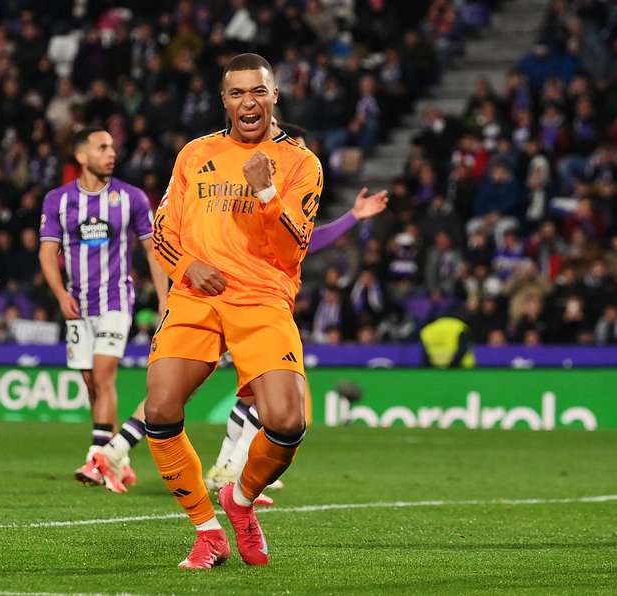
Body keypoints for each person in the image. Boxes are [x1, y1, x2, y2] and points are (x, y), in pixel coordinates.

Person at [91, 124, 388, 497]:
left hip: (233, 297)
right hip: (247, 300)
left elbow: (304, 238)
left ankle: (125, 450)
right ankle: (227, 470)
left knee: (205, 392)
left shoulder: (277, 196)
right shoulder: (253, 197)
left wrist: (352, 217)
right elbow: (298, 241)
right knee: (247, 394)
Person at [141, 52, 322, 569]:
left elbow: (294, 250)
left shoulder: (300, 163)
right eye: (238, 93)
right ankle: (206, 532)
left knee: (288, 422)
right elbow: (162, 232)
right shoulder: (194, 154)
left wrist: (265, 189)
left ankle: (239, 502)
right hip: (197, 296)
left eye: (258, 92)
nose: (249, 102)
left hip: (263, 297)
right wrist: (187, 267)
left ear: (274, 97)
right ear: (224, 100)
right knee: (160, 409)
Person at [38, 127, 167, 486]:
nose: (111, 153)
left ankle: (96, 459)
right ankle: (118, 459)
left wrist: (163, 298)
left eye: (113, 146)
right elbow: (48, 253)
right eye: (102, 147)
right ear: (81, 156)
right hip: (78, 305)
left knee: (104, 374)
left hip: (116, 301)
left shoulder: (132, 198)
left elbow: (152, 249)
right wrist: (61, 294)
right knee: (91, 383)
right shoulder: (58, 201)